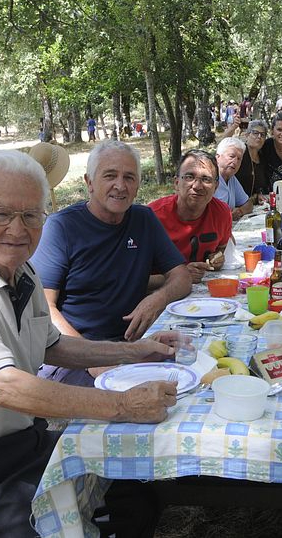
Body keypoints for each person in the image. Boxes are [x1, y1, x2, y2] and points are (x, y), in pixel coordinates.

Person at [0, 150, 178, 537]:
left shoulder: (18, 270)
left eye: (31, 216)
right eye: (2, 213)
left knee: (134, 486)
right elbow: (3, 386)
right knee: (63, 523)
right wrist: (124, 405)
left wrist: (135, 350)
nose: (18, 229)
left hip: (20, 447)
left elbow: (53, 346)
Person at [30, 141, 191, 386]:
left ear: (137, 185)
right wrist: (94, 360)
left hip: (128, 347)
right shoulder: (61, 228)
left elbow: (182, 277)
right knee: (136, 402)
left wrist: (157, 299)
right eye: (110, 176)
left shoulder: (143, 219)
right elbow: (43, 309)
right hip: (72, 355)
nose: (120, 185)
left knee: (190, 363)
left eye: (129, 177)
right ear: (89, 182)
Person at [149, 149, 231, 283]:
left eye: (206, 179)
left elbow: (221, 249)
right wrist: (181, 276)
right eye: (189, 177)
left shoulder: (222, 212)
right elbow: (132, 279)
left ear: (216, 187)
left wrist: (217, 258)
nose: (198, 186)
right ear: (176, 183)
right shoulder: (151, 217)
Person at [214, 137, 253, 219]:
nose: (235, 162)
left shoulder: (231, 178)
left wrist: (239, 211)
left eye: (239, 159)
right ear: (217, 157)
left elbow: (248, 203)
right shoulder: (209, 179)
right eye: (231, 156)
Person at [233, 119, 270, 200]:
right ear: (247, 135)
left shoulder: (263, 158)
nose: (259, 137)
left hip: (258, 205)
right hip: (239, 205)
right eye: (255, 133)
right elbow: (223, 146)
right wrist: (233, 127)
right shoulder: (240, 153)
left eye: (262, 135)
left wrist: (258, 195)